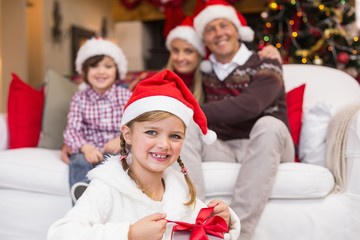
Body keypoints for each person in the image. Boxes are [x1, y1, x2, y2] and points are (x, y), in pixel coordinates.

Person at [47, 69, 241, 240]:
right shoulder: (107, 187)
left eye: (175, 136)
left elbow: (206, 232)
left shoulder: (180, 191)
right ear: (128, 135)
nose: (163, 144)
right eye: (151, 132)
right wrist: (129, 234)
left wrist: (222, 220)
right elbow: (60, 234)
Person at [177, 1, 295, 240]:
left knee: (268, 124)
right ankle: (196, 221)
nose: (219, 33)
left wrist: (193, 109)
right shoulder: (205, 72)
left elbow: (249, 106)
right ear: (205, 41)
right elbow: (175, 73)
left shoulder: (266, 62)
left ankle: (238, 232)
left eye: (224, 25)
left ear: (237, 30)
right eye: (210, 29)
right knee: (184, 123)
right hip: (224, 148)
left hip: (268, 144)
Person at [62, 38, 132, 203]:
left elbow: (135, 126)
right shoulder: (79, 98)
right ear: (85, 71)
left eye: (108, 66)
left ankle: (104, 197)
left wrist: (121, 140)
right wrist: (85, 148)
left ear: (117, 71)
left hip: (115, 149)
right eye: (94, 66)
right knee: (78, 161)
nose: (101, 71)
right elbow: (72, 130)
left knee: (117, 162)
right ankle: (83, 198)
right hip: (88, 150)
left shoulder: (126, 96)